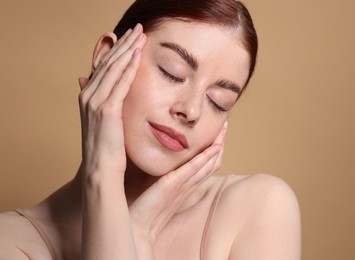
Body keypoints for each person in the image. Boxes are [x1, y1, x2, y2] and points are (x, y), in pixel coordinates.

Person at [0, 0, 301, 259]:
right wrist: (103, 174)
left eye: (219, 102)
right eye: (172, 73)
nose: (191, 110)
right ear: (107, 57)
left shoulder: (257, 209)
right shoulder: (10, 243)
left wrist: (141, 233)